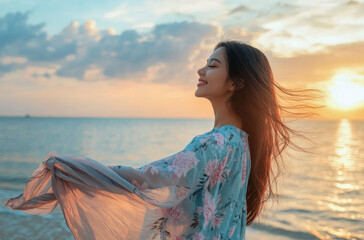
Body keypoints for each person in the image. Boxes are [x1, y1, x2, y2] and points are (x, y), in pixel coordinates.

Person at [5, 40, 310, 240]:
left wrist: (77, 169)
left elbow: (147, 178)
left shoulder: (214, 143)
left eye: (213, 65)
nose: (201, 70)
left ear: (237, 83)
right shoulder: (241, 144)